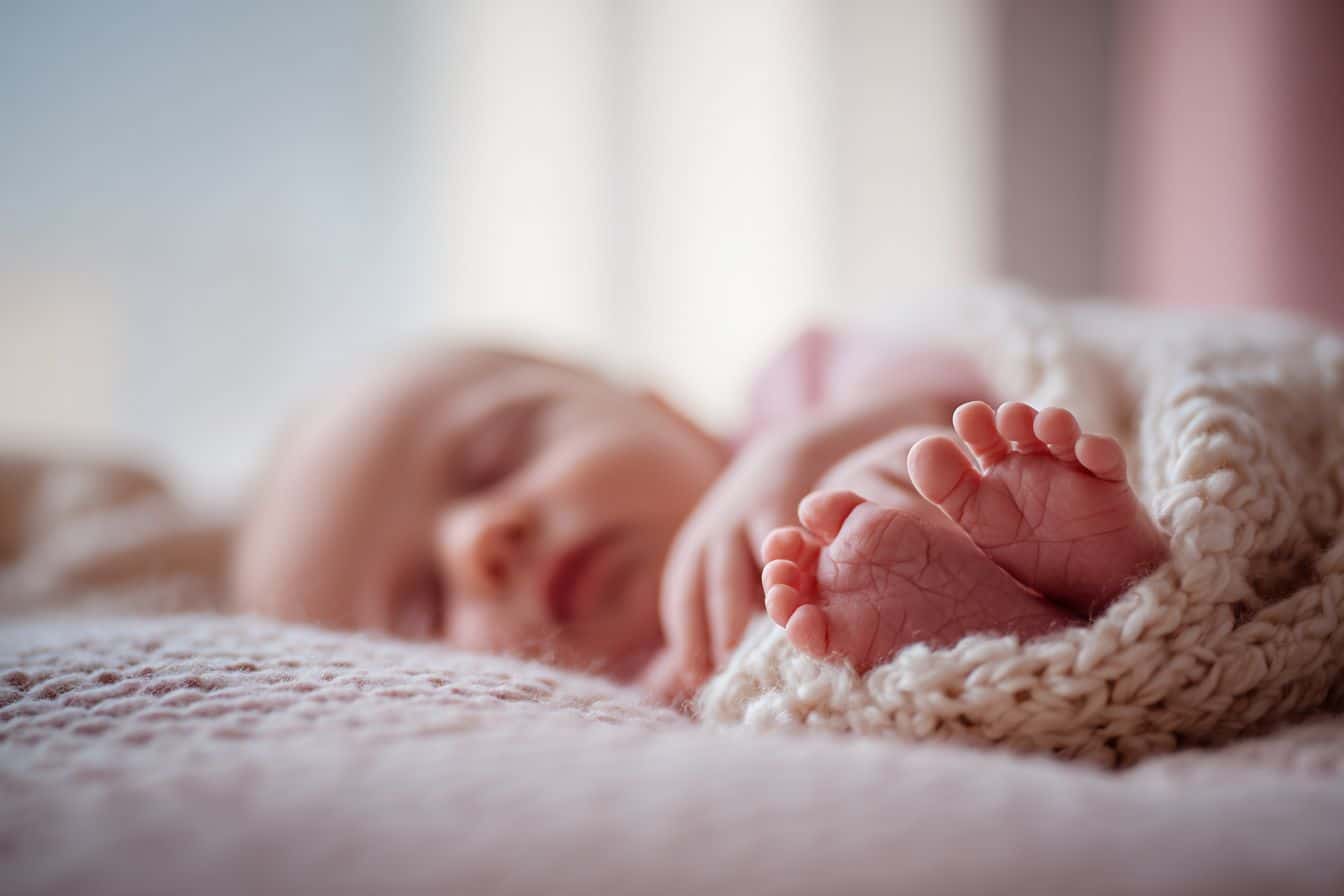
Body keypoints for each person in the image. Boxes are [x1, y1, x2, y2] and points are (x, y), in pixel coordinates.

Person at [231, 328, 1167, 704]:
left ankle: (1092, 557)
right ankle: (1009, 615)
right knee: (829, 599)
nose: (479, 541)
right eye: (425, 609)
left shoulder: (788, 400)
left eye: (495, 458)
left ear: (664, 408)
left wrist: (793, 453)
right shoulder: (619, 696)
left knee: (887, 472)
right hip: (860, 670)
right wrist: (686, 685)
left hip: (909, 489)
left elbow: (950, 374)